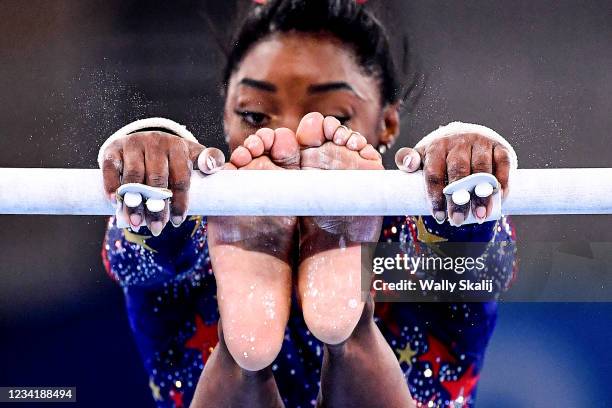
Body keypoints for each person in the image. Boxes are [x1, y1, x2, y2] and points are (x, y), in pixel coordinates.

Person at [99, 0, 516, 406]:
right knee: (164, 231)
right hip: (230, 237)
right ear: (225, 115)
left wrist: (456, 162)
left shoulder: (404, 229)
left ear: (387, 122)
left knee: (452, 253)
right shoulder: (207, 223)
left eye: (333, 114)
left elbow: (486, 263)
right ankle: (347, 333)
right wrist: (155, 156)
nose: (293, 138)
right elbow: (134, 260)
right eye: (256, 115)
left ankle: (244, 357)